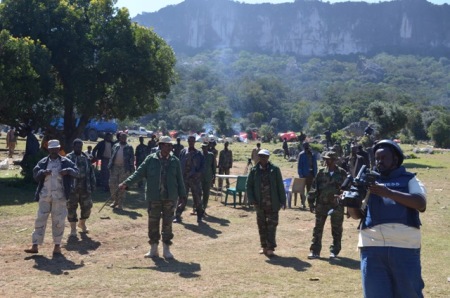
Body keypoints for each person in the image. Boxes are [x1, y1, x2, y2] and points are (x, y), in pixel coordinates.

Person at [347, 140, 426, 297]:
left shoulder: (409, 179)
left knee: (409, 294)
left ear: (395, 159)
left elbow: (420, 203)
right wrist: (350, 202)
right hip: (372, 246)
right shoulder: (369, 182)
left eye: (384, 158)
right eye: (377, 158)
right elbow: (357, 215)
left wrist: (388, 192)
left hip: (404, 247)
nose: (379, 162)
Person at [118, 136, 186, 259]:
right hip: (154, 196)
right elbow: (139, 173)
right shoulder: (150, 159)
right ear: (160, 146)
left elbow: (180, 179)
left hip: (170, 197)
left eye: (170, 146)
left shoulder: (175, 161)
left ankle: (166, 249)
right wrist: (126, 183)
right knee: (153, 223)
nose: (170, 147)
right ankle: (153, 249)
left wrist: (183, 196)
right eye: (167, 145)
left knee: (168, 223)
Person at [24, 140, 79, 255]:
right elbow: (35, 175)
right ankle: (35, 245)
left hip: (60, 196)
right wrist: (43, 172)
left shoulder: (66, 162)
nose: (54, 151)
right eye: (51, 149)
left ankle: (57, 246)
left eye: (56, 148)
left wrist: (68, 171)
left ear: (59, 149)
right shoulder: (43, 162)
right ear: (48, 149)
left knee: (58, 221)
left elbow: (77, 172)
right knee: (40, 219)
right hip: (45, 195)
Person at [307, 151, 347, 259]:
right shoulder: (321, 173)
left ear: (334, 160)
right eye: (325, 159)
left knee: (337, 229)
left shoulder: (342, 173)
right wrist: (311, 201)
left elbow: (347, 190)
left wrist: (346, 204)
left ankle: (334, 251)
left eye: (328, 159)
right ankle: (314, 251)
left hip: (336, 206)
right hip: (321, 205)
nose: (326, 161)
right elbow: (314, 188)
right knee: (318, 229)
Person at [246, 149, 286, 257]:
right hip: (259, 204)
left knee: (272, 226)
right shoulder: (254, 170)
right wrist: (251, 199)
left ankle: (270, 248)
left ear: (268, 158)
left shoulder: (275, 170)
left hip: (273, 203)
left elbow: (280, 186)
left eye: (265, 157)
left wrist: (283, 200)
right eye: (261, 156)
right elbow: (248, 186)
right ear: (258, 157)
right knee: (262, 226)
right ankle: (264, 246)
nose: (263, 158)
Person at [65, 139, 96, 236]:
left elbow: (91, 173)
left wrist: (93, 185)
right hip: (72, 188)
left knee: (87, 207)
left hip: (85, 187)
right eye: (77, 146)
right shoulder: (68, 158)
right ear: (73, 147)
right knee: (71, 208)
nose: (79, 148)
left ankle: (82, 223)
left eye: (80, 146)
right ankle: (73, 229)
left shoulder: (86, 158)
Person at [174, 135, 204, 223]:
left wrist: (197, 174)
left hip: (195, 180)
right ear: (187, 141)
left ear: (195, 142)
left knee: (197, 198)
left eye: (192, 141)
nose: (191, 143)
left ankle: (199, 216)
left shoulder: (199, 154)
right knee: (182, 198)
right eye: (189, 141)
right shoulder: (183, 152)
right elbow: (179, 164)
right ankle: (178, 215)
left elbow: (203, 167)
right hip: (184, 179)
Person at [108, 132, 135, 209]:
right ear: (119, 138)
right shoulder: (115, 146)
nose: (123, 139)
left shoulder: (129, 147)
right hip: (114, 167)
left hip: (124, 168)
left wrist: (131, 169)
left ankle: (120, 203)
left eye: (124, 137)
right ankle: (115, 201)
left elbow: (132, 159)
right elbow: (112, 156)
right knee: (112, 185)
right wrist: (110, 166)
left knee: (122, 186)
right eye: (122, 137)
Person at [297, 142, 318, 209]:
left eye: (307, 146)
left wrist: (315, 174)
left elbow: (315, 165)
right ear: (303, 147)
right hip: (303, 175)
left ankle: (310, 203)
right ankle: (303, 203)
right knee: (302, 190)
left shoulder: (312, 154)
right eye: (305, 146)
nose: (306, 147)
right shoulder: (301, 155)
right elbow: (299, 166)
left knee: (310, 190)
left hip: (311, 175)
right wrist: (301, 175)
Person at [200, 142, 216, 212]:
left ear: (207, 147)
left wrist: (214, 176)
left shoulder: (211, 155)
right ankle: (197, 207)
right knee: (198, 193)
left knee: (206, 193)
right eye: (203, 147)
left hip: (208, 177)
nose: (204, 149)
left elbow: (214, 166)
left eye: (205, 147)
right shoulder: (199, 155)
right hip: (199, 177)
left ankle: (204, 206)